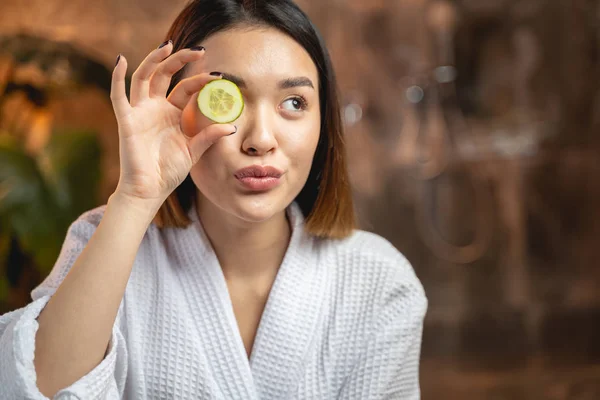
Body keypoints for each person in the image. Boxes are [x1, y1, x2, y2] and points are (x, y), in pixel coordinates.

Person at [0, 0, 427, 398]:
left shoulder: (380, 282)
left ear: (323, 123)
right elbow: (36, 390)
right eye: (227, 100)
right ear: (177, 111)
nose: (260, 139)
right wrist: (135, 198)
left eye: (294, 102)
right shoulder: (104, 242)